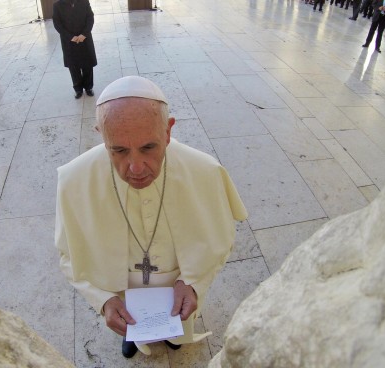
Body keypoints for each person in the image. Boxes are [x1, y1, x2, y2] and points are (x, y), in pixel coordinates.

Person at [55, 76, 247, 358]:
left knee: (178, 330)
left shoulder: (205, 171)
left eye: (148, 147)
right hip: (122, 298)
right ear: (101, 133)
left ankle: (173, 333)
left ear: (168, 131)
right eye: (118, 150)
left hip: (179, 294)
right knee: (128, 328)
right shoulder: (74, 180)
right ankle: (133, 337)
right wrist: (104, 301)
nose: (135, 167)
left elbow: (220, 239)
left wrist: (193, 283)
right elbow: (68, 254)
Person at [53, 0, 98, 99]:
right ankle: (78, 89)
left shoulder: (84, 2)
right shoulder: (57, 5)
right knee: (73, 66)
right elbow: (57, 24)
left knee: (87, 64)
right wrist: (70, 37)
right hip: (69, 41)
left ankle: (88, 87)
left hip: (84, 38)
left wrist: (84, 34)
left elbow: (90, 18)